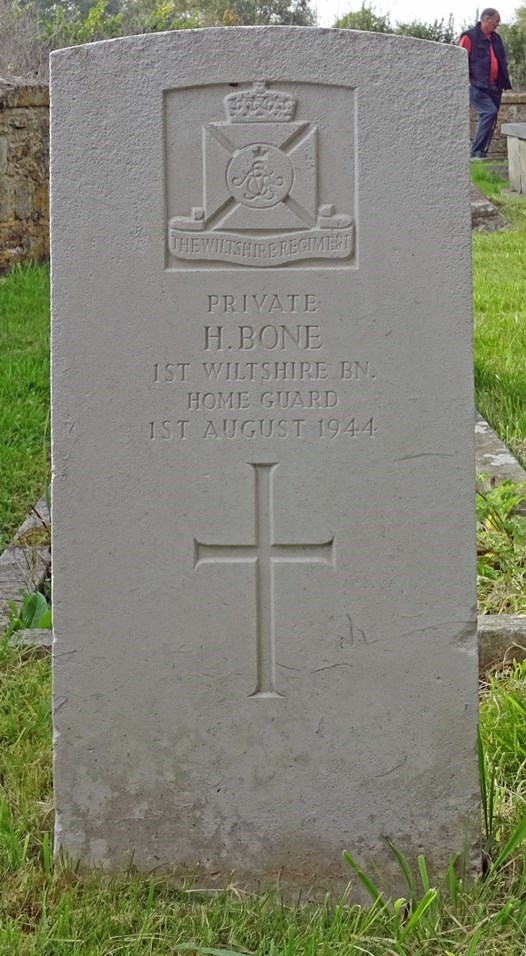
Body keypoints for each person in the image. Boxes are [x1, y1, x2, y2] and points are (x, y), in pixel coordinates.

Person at [459, 9, 512, 159]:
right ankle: (476, 153)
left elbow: (501, 60)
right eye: (496, 21)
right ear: (487, 19)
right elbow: (458, 61)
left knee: (491, 118)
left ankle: (481, 154)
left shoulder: (497, 38)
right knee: (489, 112)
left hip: (495, 87)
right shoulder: (469, 37)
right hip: (476, 86)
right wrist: (466, 83)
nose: (498, 24)